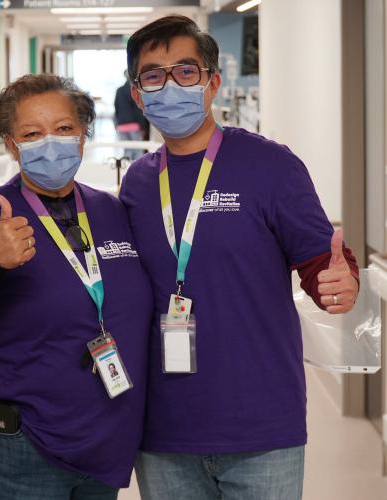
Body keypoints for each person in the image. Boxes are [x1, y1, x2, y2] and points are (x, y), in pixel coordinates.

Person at [119, 15, 360, 500]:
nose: (170, 86)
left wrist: (340, 282)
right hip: (165, 429)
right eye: (153, 76)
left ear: (212, 84)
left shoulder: (271, 166)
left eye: (185, 72)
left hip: (262, 428)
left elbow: (321, 260)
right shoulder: (138, 185)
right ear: (139, 95)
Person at [0, 74, 153, 500]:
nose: (51, 142)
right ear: (11, 144)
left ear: (84, 134)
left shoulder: (111, 211)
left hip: (105, 443)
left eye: (64, 129)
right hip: (21, 448)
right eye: (32, 133)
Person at [114, 71, 149, 160]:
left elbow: (116, 108)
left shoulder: (119, 90)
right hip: (134, 125)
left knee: (127, 151)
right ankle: (139, 172)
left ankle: (128, 171)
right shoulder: (135, 90)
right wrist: (143, 126)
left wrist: (116, 124)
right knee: (138, 151)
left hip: (121, 125)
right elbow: (138, 110)